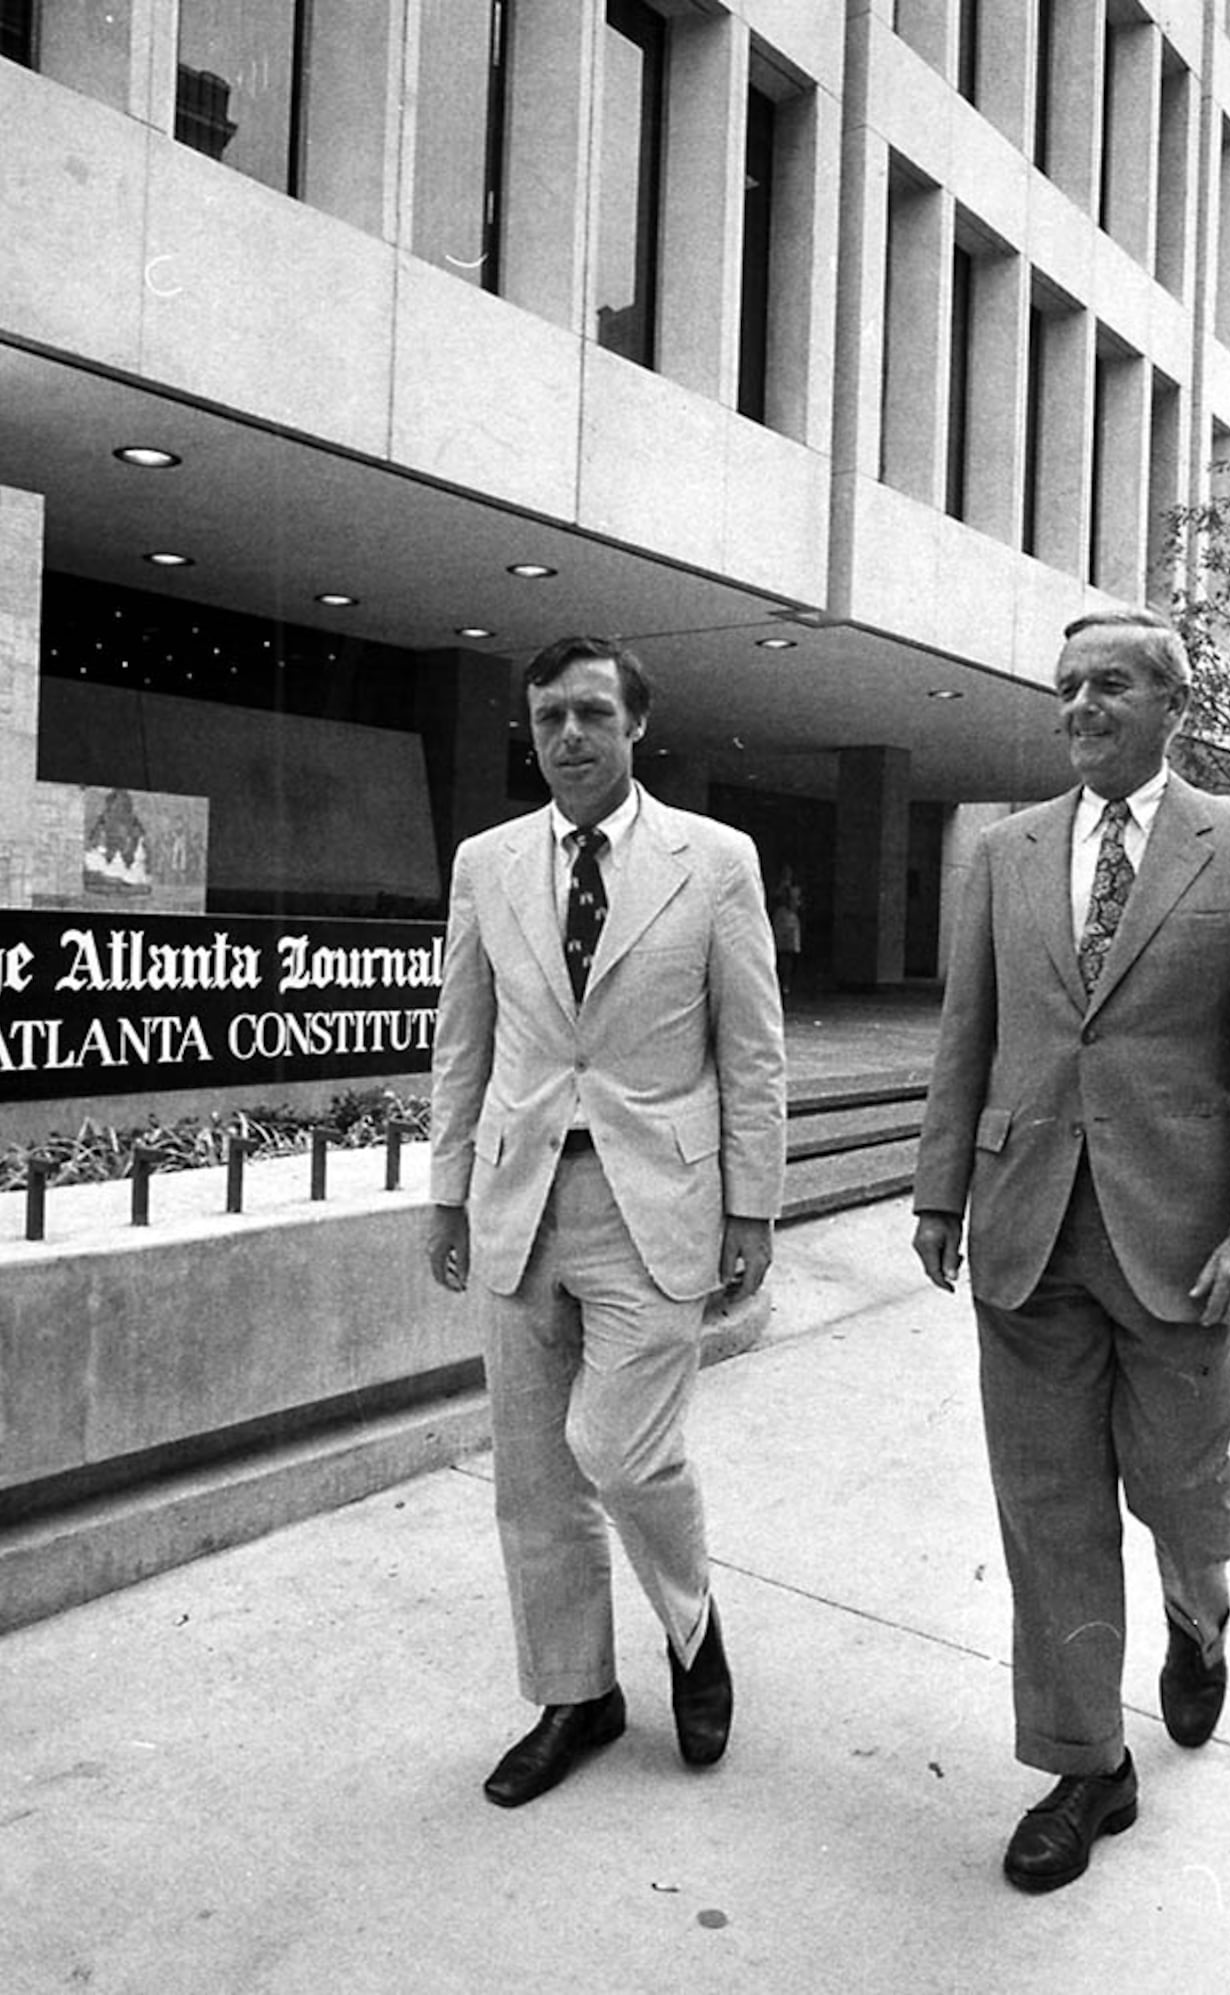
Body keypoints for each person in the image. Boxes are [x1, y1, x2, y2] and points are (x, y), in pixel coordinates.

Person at [911, 609, 1230, 1894]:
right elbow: (964, 1033)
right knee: (1045, 1511)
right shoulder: (1003, 851)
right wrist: (938, 1196)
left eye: (1109, 687)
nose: (1079, 707)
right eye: (1066, 688)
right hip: (1026, 1230)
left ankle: (1199, 1616)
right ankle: (1086, 1764)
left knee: (1180, 1487)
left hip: (1183, 1243)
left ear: (1168, 707)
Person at [428, 634, 787, 1809]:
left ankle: (691, 1633)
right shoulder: (486, 862)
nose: (568, 736)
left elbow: (752, 1052)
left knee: (623, 1452)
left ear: (637, 727)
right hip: (518, 1198)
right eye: (547, 719)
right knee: (533, 1481)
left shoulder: (714, 860)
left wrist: (753, 1207)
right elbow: (462, 1044)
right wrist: (444, 1194)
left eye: (591, 713)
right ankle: (574, 1695)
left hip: (659, 1204)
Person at [769, 865, 804, 996]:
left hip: (791, 920)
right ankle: (777, 981)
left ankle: (787, 983)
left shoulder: (795, 890)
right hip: (780, 919)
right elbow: (774, 901)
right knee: (778, 952)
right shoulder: (778, 889)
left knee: (788, 954)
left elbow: (797, 904)